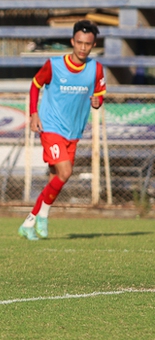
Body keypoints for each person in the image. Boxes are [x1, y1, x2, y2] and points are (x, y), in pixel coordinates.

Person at [19, 19, 106, 240]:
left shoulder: (95, 69)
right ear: (72, 42)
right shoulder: (54, 65)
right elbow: (35, 84)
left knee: (54, 179)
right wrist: (33, 113)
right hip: (51, 126)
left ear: (93, 44)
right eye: (79, 43)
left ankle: (29, 222)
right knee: (65, 172)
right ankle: (44, 216)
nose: (83, 48)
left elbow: (99, 94)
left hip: (73, 131)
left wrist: (98, 101)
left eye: (88, 44)